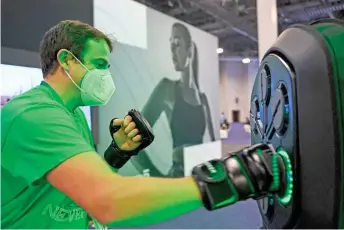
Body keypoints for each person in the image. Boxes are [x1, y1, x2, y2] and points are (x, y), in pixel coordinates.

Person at [1, 20, 280, 229]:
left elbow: (74, 190)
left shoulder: (71, 114)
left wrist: (116, 154)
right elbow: (107, 200)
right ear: (66, 60)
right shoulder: (35, 113)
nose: (105, 74)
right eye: (99, 64)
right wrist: (227, 180)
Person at [130, 22, 216, 178]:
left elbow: (212, 145)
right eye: (170, 44)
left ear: (189, 49)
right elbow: (131, 140)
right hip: (178, 178)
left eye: (176, 44)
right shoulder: (166, 89)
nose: (172, 52)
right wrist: (157, 177)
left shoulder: (203, 99)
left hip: (201, 179)